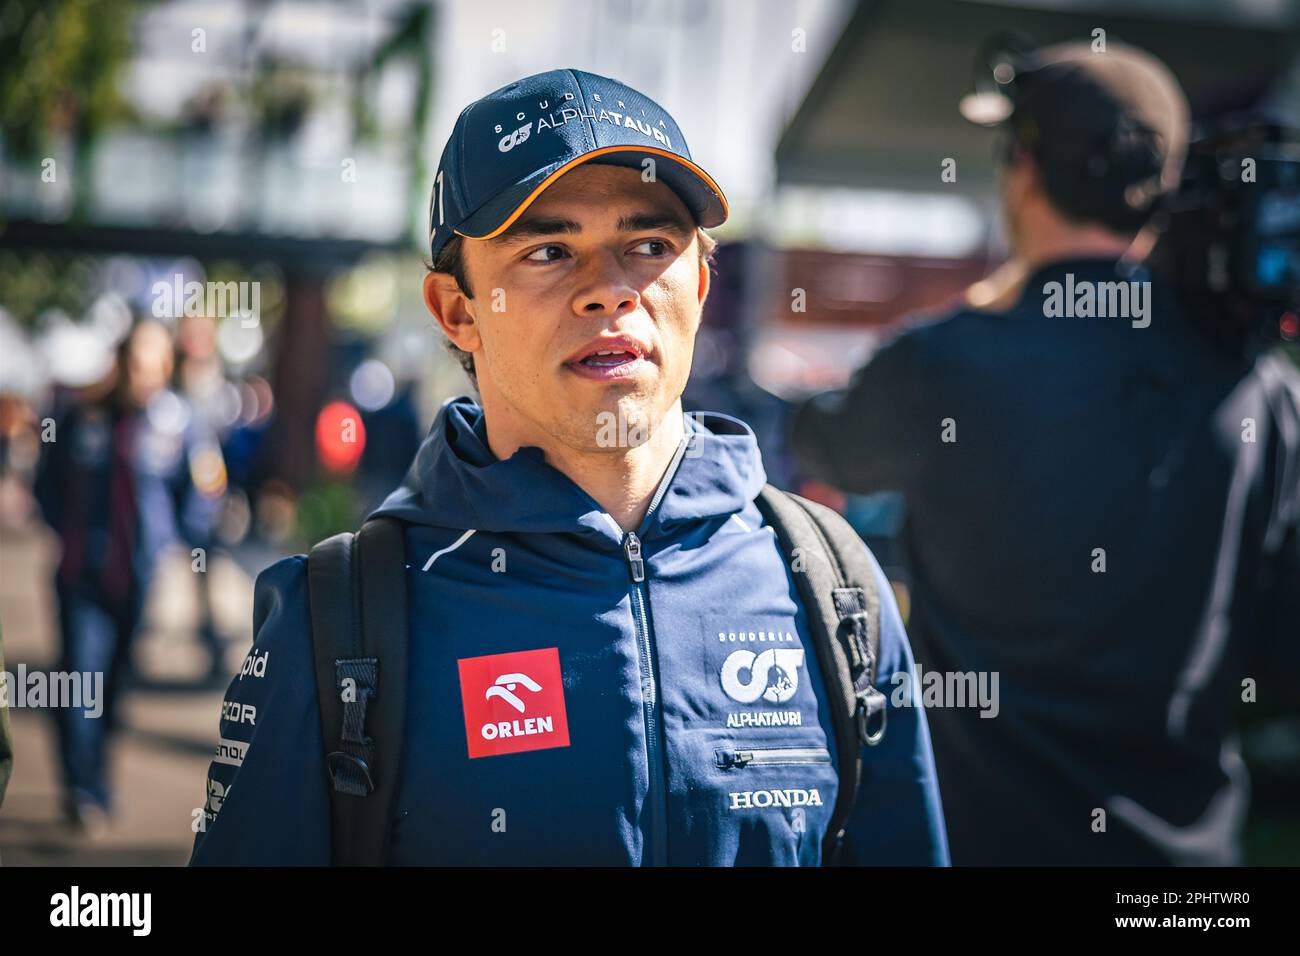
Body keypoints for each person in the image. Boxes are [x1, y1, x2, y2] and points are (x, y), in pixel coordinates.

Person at [190, 67, 948, 866]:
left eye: (649, 245)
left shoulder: (831, 585)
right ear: (457, 310)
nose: (610, 291)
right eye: (550, 250)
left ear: (698, 278)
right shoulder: (338, 618)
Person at [790, 41, 1300, 866]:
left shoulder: (942, 363)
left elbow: (824, 442)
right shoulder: (1260, 385)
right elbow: (1281, 643)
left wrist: (989, 303)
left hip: (979, 844)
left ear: (1021, 171)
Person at [34, 318, 223, 833]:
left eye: (156, 363)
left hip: (138, 579)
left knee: (115, 685)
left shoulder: (177, 423)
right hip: (81, 577)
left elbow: (200, 493)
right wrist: (69, 536)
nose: (146, 373)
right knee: (80, 680)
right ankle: (81, 787)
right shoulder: (81, 417)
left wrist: (184, 541)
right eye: (137, 362)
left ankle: (99, 773)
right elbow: (45, 484)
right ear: (120, 362)